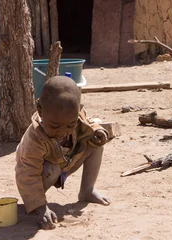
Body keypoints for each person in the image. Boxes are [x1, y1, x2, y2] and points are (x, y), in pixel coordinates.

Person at [15, 76, 111, 230]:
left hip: (65, 161)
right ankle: (36, 204)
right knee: (51, 169)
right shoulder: (34, 138)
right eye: (54, 126)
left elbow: (87, 122)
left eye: (70, 126)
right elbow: (27, 174)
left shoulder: (76, 115)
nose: (62, 132)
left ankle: (87, 190)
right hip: (44, 173)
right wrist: (41, 208)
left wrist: (96, 130)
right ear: (40, 111)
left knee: (95, 143)